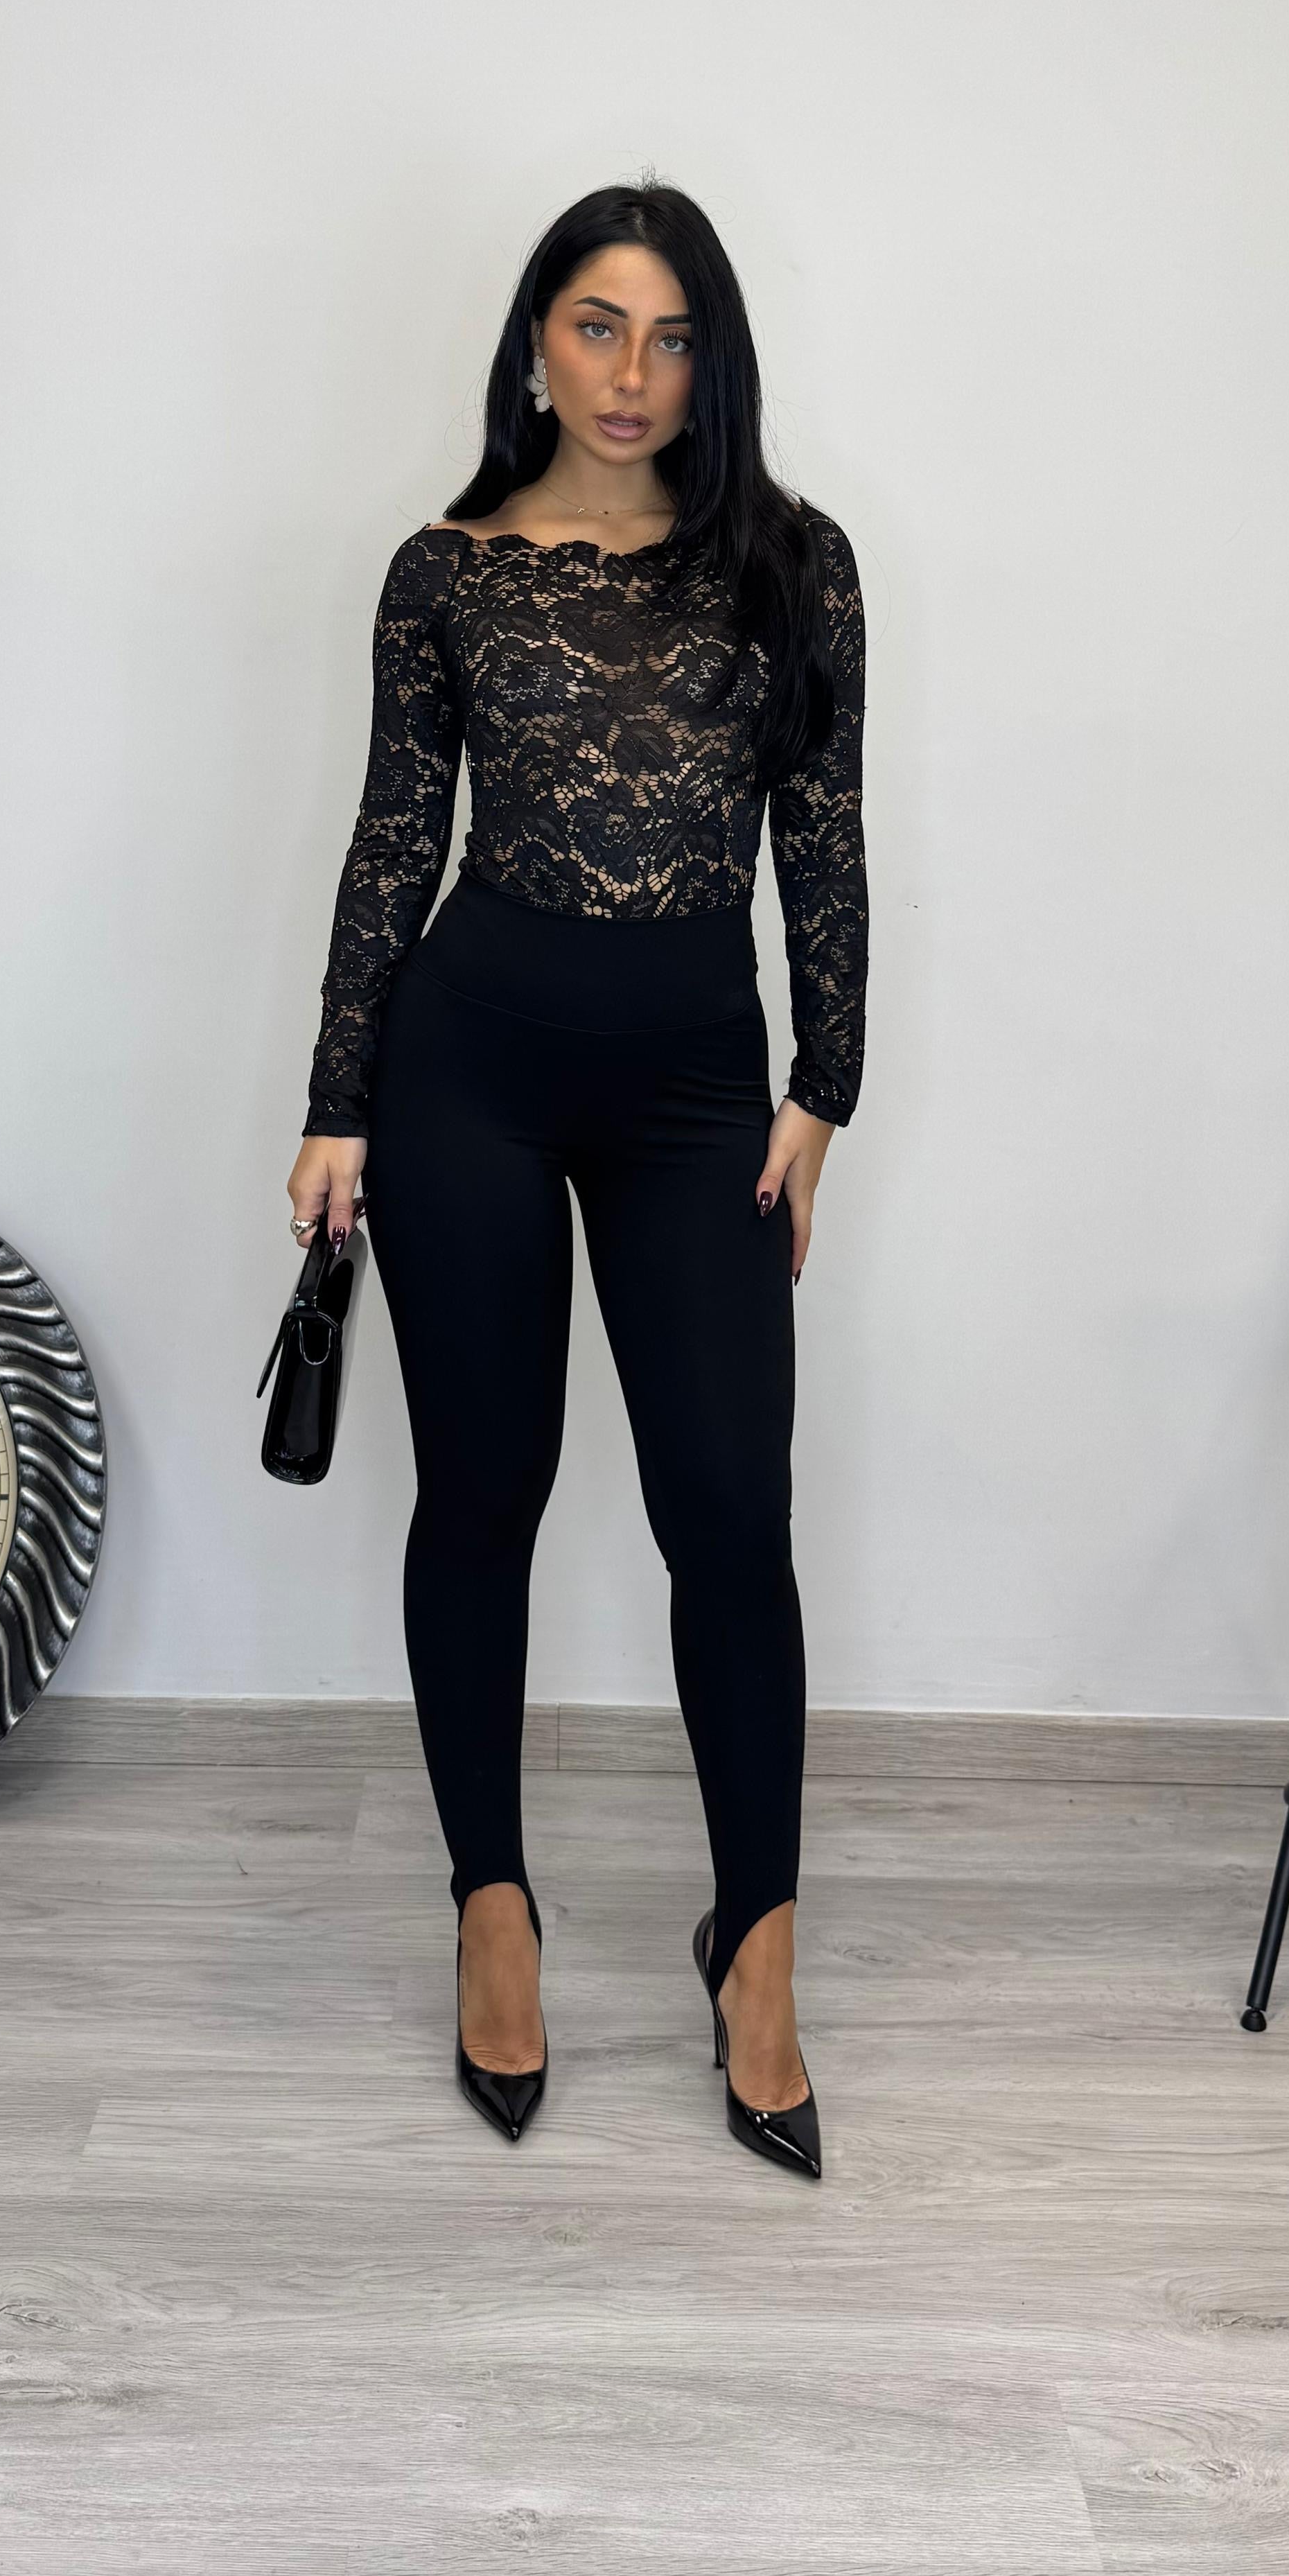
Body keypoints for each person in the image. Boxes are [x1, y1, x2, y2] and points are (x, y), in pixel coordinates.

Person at [288, 182, 868, 2180]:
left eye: (674, 336)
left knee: (731, 1517)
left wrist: (826, 1091)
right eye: (598, 327)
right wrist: (337, 1103)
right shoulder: (442, 574)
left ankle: (758, 1948)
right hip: (466, 1079)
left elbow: (824, 833)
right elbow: (393, 840)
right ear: (535, 341)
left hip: (704, 1097)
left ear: (716, 361)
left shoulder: (791, 563)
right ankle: (491, 1909)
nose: (634, 375)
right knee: (484, 1494)